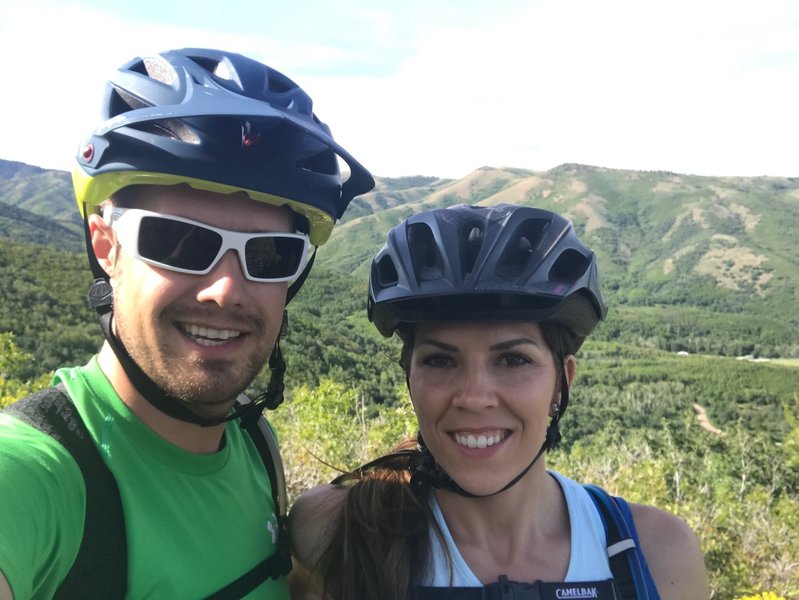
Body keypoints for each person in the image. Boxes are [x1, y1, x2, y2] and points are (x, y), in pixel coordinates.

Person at [0, 47, 373, 599]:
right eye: (180, 243)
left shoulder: (254, 445)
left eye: (269, 255)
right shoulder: (37, 476)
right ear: (106, 247)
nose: (225, 290)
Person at [289, 203, 709, 600]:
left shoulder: (657, 554)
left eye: (513, 359)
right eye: (439, 360)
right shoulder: (333, 529)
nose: (473, 397)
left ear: (562, 384)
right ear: (408, 376)